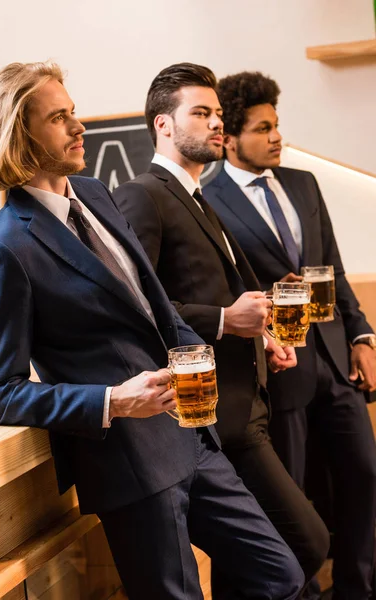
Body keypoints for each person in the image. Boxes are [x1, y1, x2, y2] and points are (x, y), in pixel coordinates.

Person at [0, 61, 306, 600]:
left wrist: (234, 339)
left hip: (196, 436)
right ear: (20, 137)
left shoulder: (96, 195)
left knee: (281, 576)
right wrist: (112, 400)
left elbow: (153, 305)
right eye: (59, 118)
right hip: (131, 466)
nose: (78, 127)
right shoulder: (2, 250)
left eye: (73, 112)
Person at [113, 62, 329, 597]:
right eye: (201, 113)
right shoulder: (144, 193)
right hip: (211, 416)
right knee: (306, 541)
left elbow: (217, 288)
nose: (216, 124)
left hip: (244, 403)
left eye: (217, 114)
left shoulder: (196, 194)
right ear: (163, 124)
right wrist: (228, 321)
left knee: (262, 561)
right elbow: (138, 306)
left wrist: (265, 335)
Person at [204, 70, 376, 600]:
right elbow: (226, 286)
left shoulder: (304, 183)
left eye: (277, 125)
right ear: (230, 138)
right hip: (277, 367)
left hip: (334, 358)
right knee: (295, 492)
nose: (277, 136)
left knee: (365, 473)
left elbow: (336, 270)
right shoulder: (208, 200)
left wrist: (363, 335)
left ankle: (360, 586)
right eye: (262, 128)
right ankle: (304, 591)